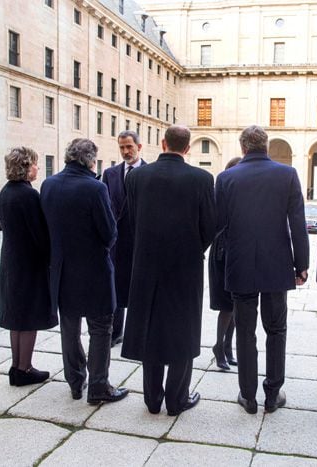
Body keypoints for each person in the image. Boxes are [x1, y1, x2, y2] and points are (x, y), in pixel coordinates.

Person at [122, 125, 215, 416]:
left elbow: (132, 220)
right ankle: (177, 399)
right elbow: (210, 225)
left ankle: (152, 399)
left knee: (150, 328)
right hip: (185, 266)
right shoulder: (201, 178)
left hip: (146, 264)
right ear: (187, 148)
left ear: (163, 144)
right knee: (182, 329)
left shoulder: (136, 176)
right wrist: (193, 247)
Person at [215, 125, 309, 414]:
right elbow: (297, 224)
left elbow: (219, 225)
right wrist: (301, 265)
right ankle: (272, 393)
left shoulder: (226, 178)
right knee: (276, 329)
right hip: (277, 265)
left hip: (240, 264)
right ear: (266, 146)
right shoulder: (287, 174)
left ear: (243, 148)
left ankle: (248, 395)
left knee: (245, 332)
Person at [40, 138, 128, 405]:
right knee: (101, 328)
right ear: (90, 160)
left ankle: (76, 382)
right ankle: (99, 386)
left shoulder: (48, 185)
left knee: (69, 328)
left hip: (62, 271)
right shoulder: (95, 188)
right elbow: (109, 233)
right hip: (94, 271)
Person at [0, 147, 57, 386]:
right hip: (29, 264)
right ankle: (25, 368)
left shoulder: (5, 192)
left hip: (11, 261)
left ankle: (16, 366)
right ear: (24, 167)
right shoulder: (28, 195)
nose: (37, 168)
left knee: (17, 318)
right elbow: (40, 234)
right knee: (29, 317)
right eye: (34, 164)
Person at [101, 130, 147, 348]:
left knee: (139, 289)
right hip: (116, 244)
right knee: (115, 289)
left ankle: (138, 334)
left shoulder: (150, 173)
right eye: (122, 147)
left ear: (139, 146)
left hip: (140, 242)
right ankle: (115, 332)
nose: (126, 151)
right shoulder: (109, 174)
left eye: (129, 146)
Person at [209, 156, 242, 371]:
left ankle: (227, 347)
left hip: (238, 250)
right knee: (226, 305)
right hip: (222, 251)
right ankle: (219, 347)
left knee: (236, 305)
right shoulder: (220, 192)